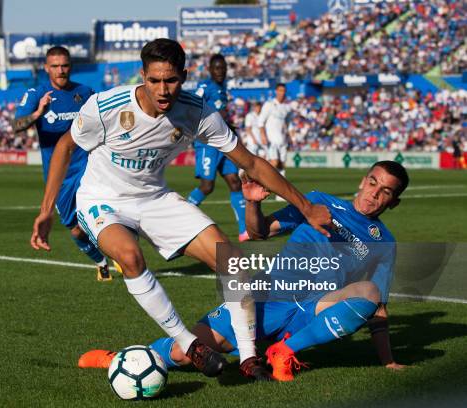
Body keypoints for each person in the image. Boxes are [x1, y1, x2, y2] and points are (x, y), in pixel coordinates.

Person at [30, 39, 331, 381]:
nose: (163, 90)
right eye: (154, 80)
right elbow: (65, 147)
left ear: (184, 76)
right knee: (129, 257)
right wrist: (46, 210)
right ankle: (189, 344)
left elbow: (250, 162)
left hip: (155, 198)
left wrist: (306, 207)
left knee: (231, 259)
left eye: (171, 80)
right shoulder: (106, 106)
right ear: (142, 75)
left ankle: (249, 357)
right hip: (102, 198)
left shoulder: (197, 112)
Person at [79, 161, 408, 382]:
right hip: (268, 297)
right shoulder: (319, 204)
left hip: (313, 309)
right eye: (372, 183)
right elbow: (261, 231)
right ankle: (120, 360)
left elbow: (379, 308)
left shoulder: (385, 242)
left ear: (393, 203)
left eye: (385, 192)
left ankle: (284, 352)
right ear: (362, 180)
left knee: (369, 292)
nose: (374, 194)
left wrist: (387, 361)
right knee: (186, 352)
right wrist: (253, 204)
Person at [13, 46, 112, 281]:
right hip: (59, 176)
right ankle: (102, 261)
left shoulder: (85, 92)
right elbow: (16, 125)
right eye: (55, 66)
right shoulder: (36, 93)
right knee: (76, 229)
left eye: (65, 65)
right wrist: (38, 113)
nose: (61, 70)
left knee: (106, 215)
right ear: (47, 68)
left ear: (71, 66)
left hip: (89, 166)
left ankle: (120, 250)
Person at [186, 54, 250, 242]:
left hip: (223, 142)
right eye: (216, 68)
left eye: (223, 68)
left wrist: (226, 124)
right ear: (210, 70)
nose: (220, 71)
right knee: (207, 186)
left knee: (235, 182)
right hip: (207, 143)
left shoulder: (223, 88)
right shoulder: (205, 87)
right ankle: (179, 220)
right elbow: (193, 107)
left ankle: (244, 232)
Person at [259, 83, 292, 200]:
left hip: (282, 140)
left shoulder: (287, 108)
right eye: (280, 90)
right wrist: (263, 136)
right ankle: (261, 184)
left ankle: (280, 194)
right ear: (276, 91)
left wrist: (290, 138)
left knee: (282, 165)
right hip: (272, 140)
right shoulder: (269, 105)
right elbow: (261, 122)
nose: (282, 93)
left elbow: (288, 124)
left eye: (283, 90)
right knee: (274, 163)